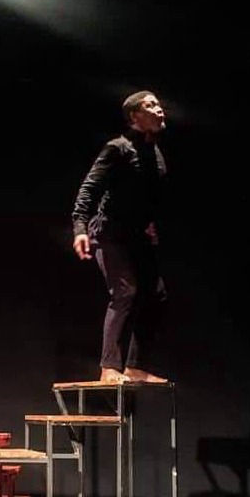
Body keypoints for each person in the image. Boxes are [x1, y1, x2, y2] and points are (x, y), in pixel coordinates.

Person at [72, 91, 169, 383]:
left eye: (158, 104)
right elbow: (90, 188)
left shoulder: (155, 153)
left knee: (156, 294)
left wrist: (150, 223)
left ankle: (136, 366)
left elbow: (148, 196)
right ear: (134, 116)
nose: (159, 109)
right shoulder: (117, 148)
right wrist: (79, 229)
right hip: (110, 233)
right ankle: (108, 367)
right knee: (125, 292)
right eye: (150, 106)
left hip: (136, 235)